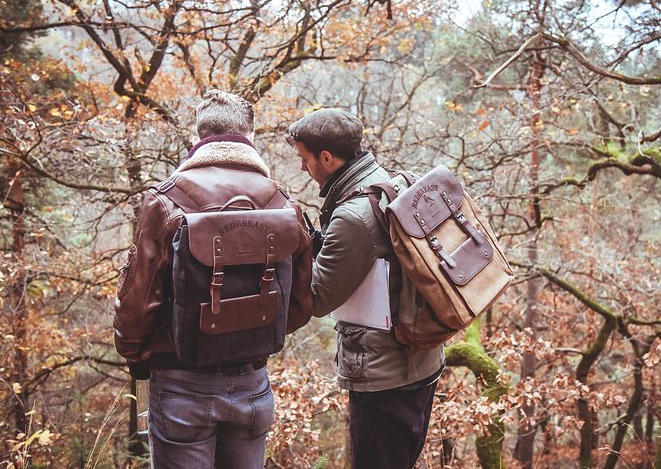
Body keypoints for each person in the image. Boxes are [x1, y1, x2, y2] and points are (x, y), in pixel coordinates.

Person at [114, 89, 312, 469]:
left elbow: (139, 305)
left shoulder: (166, 200)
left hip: (181, 383)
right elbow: (299, 307)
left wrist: (133, 349)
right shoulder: (283, 203)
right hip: (253, 385)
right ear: (250, 140)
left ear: (197, 140)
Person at [286, 109, 444, 469]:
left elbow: (318, 298)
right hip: (421, 360)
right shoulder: (390, 182)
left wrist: (300, 249)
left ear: (326, 157)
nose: (302, 168)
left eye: (303, 158)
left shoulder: (353, 215)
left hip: (383, 377)